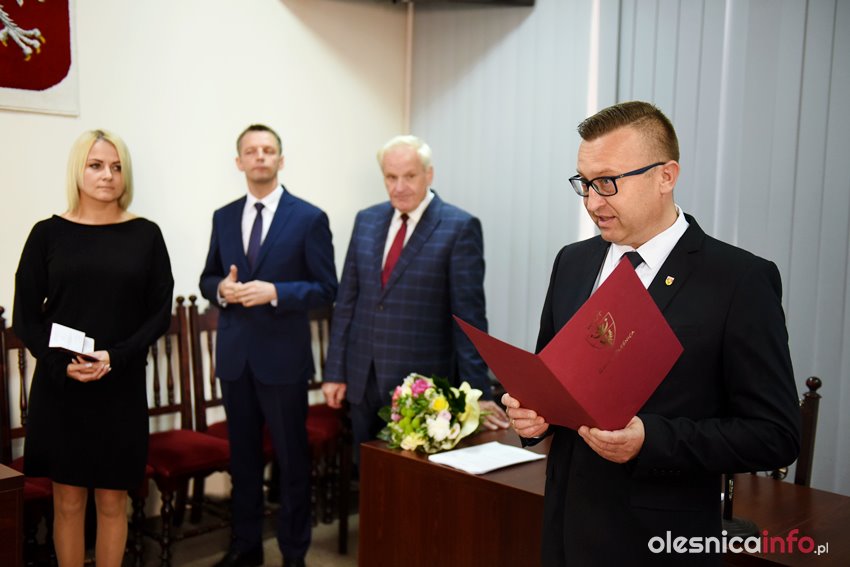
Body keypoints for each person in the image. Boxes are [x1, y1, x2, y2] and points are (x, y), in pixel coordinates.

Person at [503, 101, 802, 566]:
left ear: (666, 176)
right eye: (585, 183)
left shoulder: (739, 281)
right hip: (566, 529)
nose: (592, 202)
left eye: (608, 182)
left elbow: (775, 435)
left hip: (660, 542)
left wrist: (652, 439)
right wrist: (532, 415)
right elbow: (552, 380)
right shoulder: (573, 261)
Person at [13, 129, 174, 567]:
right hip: (62, 387)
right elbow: (25, 316)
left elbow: (159, 314)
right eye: (97, 165)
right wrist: (58, 365)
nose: (108, 175)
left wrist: (115, 357)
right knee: (66, 503)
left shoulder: (146, 235)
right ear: (78, 170)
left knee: (112, 501)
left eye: (117, 167)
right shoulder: (47, 234)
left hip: (118, 385)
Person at [323, 134, 509, 464]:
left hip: (423, 389)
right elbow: (347, 301)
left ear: (429, 174)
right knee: (369, 477)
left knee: (412, 485)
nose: (399, 187)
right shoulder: (366, 220)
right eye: (391, 177)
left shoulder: (459, 227)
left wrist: (477, 392)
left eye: (409, 176)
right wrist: (335, 371)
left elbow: (469, 319)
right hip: (363, 379)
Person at [200, 124, 337, 567]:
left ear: (280, 159)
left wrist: (276, 291)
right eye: (251, 151)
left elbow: (327, 288)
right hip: (235, 359)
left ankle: (294, 554)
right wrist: (221, 289)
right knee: (243, 461)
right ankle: (246, 548)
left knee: (292, 462)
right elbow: (207, 278)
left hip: (283, 361)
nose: (260, 156)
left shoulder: (309, 217)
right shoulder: (223, 216)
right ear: (238, 161)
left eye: (268, 150)